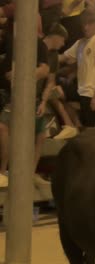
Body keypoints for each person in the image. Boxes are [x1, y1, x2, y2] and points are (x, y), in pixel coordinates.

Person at [0, 34, 51, 186]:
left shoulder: (39, 46)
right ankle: (3, 171)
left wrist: (21, 75)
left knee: (41, 134)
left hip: (29, 98)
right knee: (3, 128)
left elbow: (45, 71)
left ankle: (31, 172)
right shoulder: (11, 40)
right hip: (8, 95)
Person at [61, 8, 95, 127]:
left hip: (92, 93)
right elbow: (64, 57)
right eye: (84, 23)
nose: (86, 27)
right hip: (83, 91)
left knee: (92, 129)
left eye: (89, 24)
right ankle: (75, 126)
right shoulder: (81, 42)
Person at [41, 23, 79, 139]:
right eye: (62, 40)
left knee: (59, 94)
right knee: (56, 94)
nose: (63, 44)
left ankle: (73, 127)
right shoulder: (38, 48)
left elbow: (51, 79)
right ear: (55, 36)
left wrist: (53, 88)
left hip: (46, 85)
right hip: (37, 84)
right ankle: (71, 126)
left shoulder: (53, 55)